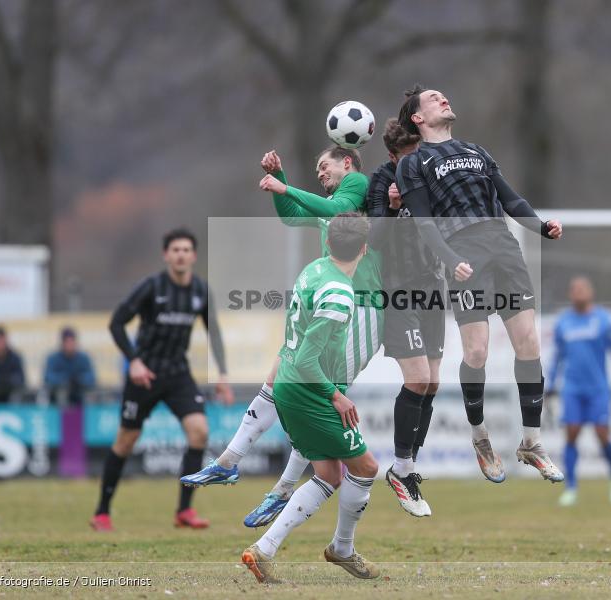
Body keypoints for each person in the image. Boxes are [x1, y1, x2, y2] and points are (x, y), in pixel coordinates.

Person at [181, 146, 384, 529]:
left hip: (361, 306)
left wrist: (285, 187)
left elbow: (327, 208)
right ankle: (229, 461)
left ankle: (283, 489)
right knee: (282, 373)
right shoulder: (334, 204)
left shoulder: (356, 184)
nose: (320, 173)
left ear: (348, 162)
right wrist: (282, 185)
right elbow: (293, 219)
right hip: (331, 299)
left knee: (315, 392)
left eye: (324, 166)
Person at [396, 85, 564, 484]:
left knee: (529, 343)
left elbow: (511, 199)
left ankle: (531, 442)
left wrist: (541, 226)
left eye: (443, 96)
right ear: (417, 118)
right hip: (463, 251)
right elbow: (424, 223)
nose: (444, 99)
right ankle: (480, 435)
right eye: (433, 98)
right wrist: (450, 260)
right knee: (477, 350)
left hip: (503, 246)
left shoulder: (476, 151)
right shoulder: (414, 163)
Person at [241, 213, 380, 584]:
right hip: (307, 389)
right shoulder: (340, 293)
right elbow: (307, 358)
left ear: (329, 243)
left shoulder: (314, 269)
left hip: (287, 385)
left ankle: (263, 550)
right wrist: (337, 396)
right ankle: (342, 549)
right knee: (366, 468)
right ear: (364, 250)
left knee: (329, 473)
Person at [90, 228, 233, 531]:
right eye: (175, 250)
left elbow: (214, 332)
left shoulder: (200, 291)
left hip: (178, 374)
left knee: (199, 432)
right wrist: (134, 361)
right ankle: (102, 511)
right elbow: (116, 323)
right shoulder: (151, 287)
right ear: (166, 255)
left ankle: (184, 511)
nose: (181, 254)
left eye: (186, 250)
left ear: (193, 256)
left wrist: (221, 374)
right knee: (126, 441)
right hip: (145, 376)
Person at [367, 118, 443, 516]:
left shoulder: (431, 175)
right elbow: (373, 238)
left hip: (433, 286)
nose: (419, 163)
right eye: (410, 157)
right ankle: (401, 470)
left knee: (432, 383)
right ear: (394, 156)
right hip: (398, 290)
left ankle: (405, 468)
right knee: (416, 379)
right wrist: (394, 209)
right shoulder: (381, 181)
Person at [546, 276, 611, 506]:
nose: (578, 292)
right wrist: (550, 387)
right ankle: (571, 488)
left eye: (582, 288)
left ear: (591, 292)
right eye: (574, 289)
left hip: (598, 389)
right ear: (570, 294)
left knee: (602, 434)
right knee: (571, 434)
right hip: (572, 389)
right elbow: (557, 358)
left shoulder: (604, 320)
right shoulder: (563, 322)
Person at [43, 327, 96, 405]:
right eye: (67, 342)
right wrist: (65, 379)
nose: (70, 345)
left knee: (88, 393)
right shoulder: (53, 358)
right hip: (58, 400)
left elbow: (91, 377)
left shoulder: (83, 358)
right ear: (62, 343)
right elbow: (48, 377)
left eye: (72, 341)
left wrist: (79, 379)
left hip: (80, 397)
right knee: (61, 392)